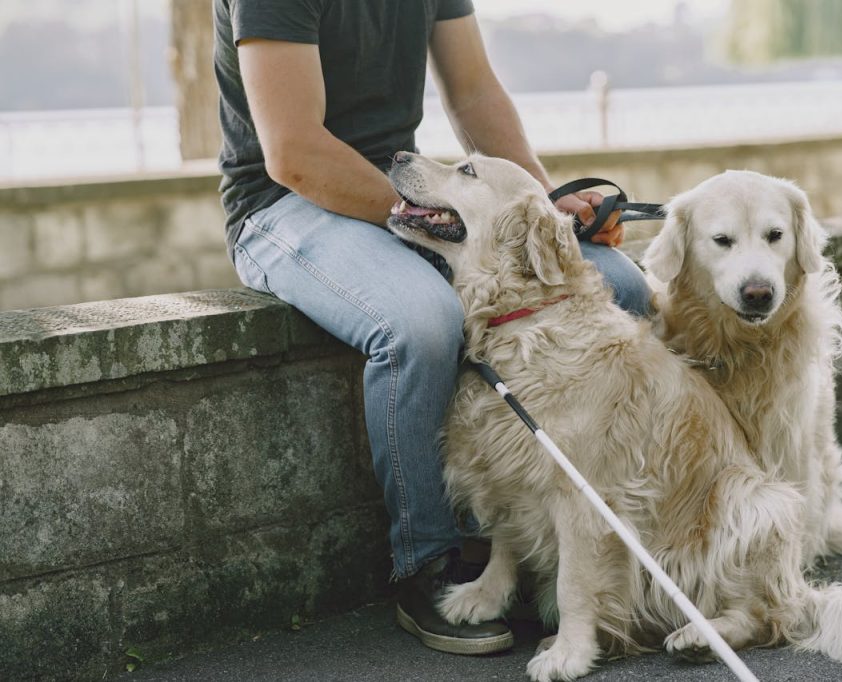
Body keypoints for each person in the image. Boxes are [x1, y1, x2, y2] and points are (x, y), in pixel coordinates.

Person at [213, 0, 651, 655]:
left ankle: (583, 541)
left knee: (621, 283)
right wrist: (426, 219)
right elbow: (295, 151)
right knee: (420, 320)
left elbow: (474, 95)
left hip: (403, 194)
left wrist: (541, 211)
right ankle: (428, 558)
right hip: (285, 206)